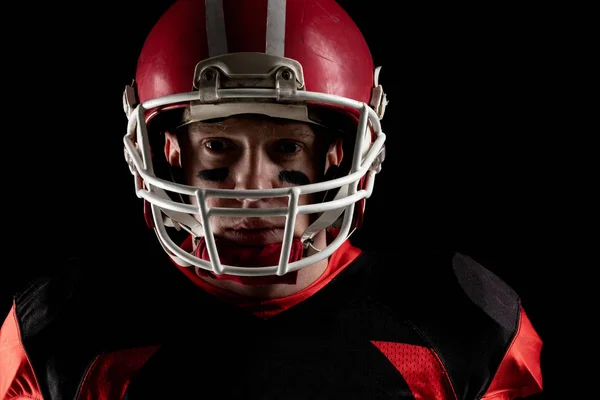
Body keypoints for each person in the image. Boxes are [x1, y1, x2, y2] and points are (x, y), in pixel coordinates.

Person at [1, 0, 544, 399]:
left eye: (286, 145)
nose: (251, 187)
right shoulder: (64, 326)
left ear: (338, 153)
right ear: (168, 151)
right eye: (216, 145)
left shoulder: (460, 319)